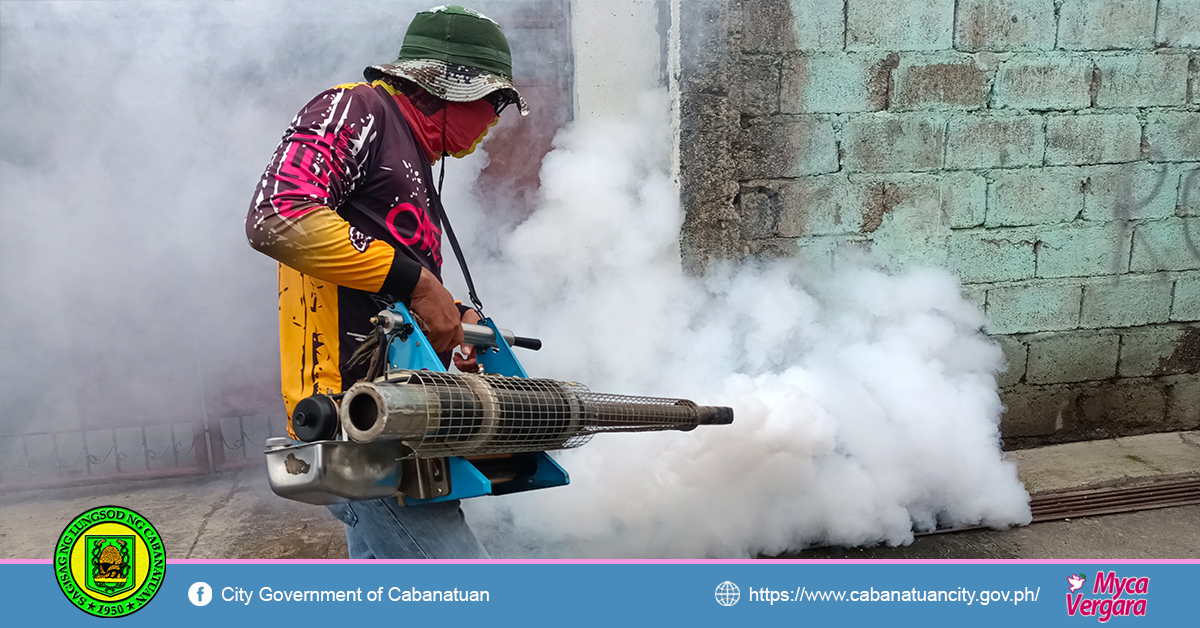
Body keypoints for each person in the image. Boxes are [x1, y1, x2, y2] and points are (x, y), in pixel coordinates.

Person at [244, 5, 528, 558]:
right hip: (353, 415)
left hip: (398, 416)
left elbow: (392, 280)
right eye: (493, 104)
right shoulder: (356, 108)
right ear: (452, 87)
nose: (494, 122)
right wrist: (418, 283)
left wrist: (453, 316)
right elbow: (278, 213)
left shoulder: (415, 159)